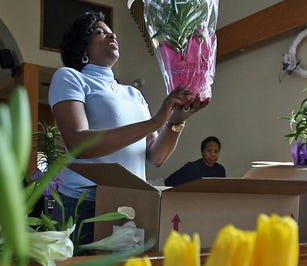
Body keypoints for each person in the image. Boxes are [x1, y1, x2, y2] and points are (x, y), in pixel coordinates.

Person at [49, 11, 208, 245]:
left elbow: (155, 156)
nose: (111, 34)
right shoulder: (71, 78)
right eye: (99, 32)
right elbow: (78, 143)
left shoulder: (133, 93)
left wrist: (176, 120)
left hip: (129, 203)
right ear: (83, 49)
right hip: (84, 204)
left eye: (111, 31)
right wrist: (155, 122)